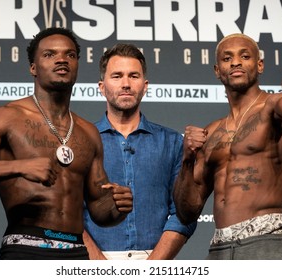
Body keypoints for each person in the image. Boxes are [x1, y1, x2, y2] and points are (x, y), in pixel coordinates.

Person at [0, 27, 133, 260]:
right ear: (33, 68)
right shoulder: (6, 117)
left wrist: (118, 207)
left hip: (76, 252)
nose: (62, 59)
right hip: (25, 247)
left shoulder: (88, 133)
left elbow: (99, 210)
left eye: (70, 55)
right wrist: (20, 167)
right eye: (49, 54)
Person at [173, 33, 282, 260]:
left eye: (244, 56)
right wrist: (187, 160)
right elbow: (187, 212)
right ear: (217, 71)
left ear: (260, 65)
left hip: (266, 242)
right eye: (227, 59)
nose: (235, 62)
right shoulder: (213, 131)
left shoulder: (272, 106)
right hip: (219, 249)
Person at [82, 43, 197, 260]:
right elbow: (68, 214)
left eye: (133, 76)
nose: (126, 84)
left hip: (156, 262)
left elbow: (184, 213)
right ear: (101, 86)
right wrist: (98, 267)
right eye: (117, 76)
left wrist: (152, 267)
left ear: (145, 86)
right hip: (92, 262)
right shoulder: (81, 142)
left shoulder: (172, 142)